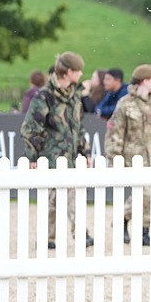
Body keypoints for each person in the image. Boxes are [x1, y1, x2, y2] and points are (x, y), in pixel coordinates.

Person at [21, 52, 92, 250]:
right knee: (52, 200)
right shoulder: (45, 96)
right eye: (78, 71)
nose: (80, 74)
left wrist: (85, 151)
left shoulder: (74, 96)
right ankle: (48, 237)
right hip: (50, 156)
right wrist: (32, 155)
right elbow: (31, 127)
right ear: (69, 72)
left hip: (69, 156)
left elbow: (78, 126)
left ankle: (81, 234)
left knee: (72, 195)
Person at [106, 64, 151, 246]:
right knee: (143, 194)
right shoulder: (125, 103)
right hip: (133, 156)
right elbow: (115, 132)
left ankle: (144, 231)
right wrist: (114, 157)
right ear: (145, 81)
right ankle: (123, 218)